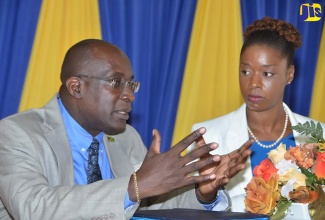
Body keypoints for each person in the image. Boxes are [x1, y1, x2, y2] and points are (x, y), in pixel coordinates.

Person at [0, 39, 252, 219]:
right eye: (116, 82)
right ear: (76, 87)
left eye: (131, 84)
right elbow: (33, 208)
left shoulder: (124, 137)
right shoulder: (17, 133)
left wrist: (202, 191)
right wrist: (135, 185)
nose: (129, 95)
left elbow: (150, 204)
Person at [191, 17, 325, 212]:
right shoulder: (208, 136)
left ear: (290, 74)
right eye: (245, 71)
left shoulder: (320, 135)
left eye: (266, 74)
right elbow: (188, 211)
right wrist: (206, 195)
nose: (253, 83)